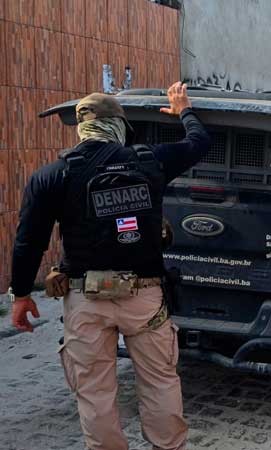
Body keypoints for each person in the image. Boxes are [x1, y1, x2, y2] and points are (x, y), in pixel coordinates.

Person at [9, 82, 210, 450]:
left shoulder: (52, 175)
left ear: (82, 128)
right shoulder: (151, 161)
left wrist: (21, 295)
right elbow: (199, 143)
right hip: (144, 299)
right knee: (160, 383)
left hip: (85, 300)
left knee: (95, 393)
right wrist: (184, 110)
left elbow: (28, 242)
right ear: (119, 126)